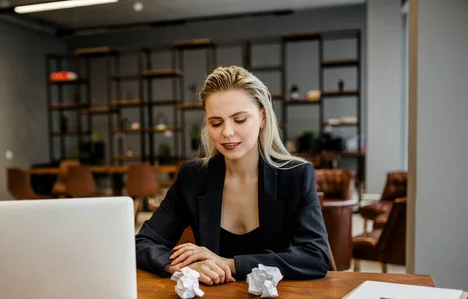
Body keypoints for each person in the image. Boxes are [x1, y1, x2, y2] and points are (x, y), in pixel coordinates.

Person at [135, 66, 330, 285]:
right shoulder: (194, 177)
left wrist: (229, 264)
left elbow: (315, 257)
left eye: (239, 120)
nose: (227, 132)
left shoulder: (295, 176)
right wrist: (183, 266)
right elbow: (142, 243)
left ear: (263, 118)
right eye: (216, 123)